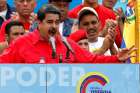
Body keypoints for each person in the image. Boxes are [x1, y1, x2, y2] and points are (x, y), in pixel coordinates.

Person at [0, 4, 136, 63]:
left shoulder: (67, 44)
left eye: (56, 22)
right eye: (49, 22)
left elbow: (92, 60)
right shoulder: (22, 43)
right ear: (39, 23)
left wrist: (117, 58)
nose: (54, 26)